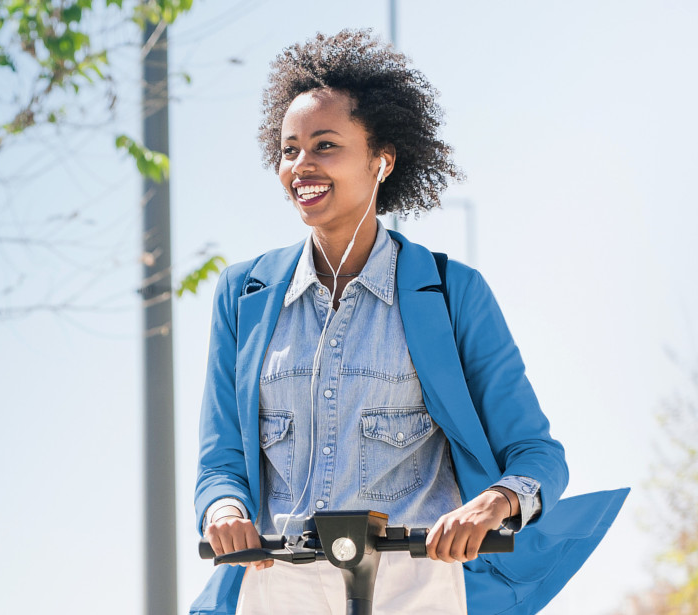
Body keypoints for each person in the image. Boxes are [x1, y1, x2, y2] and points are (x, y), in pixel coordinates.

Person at [190, 30, 625, 615]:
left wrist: (493, 503)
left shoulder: (451, 294)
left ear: (382, 159)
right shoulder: (244, 294)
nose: (302, 166)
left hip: (418, 589)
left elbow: (535, 453)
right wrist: (225, 511)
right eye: (289, 149)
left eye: (325, 145)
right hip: (275, 587)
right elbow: (220, 460)